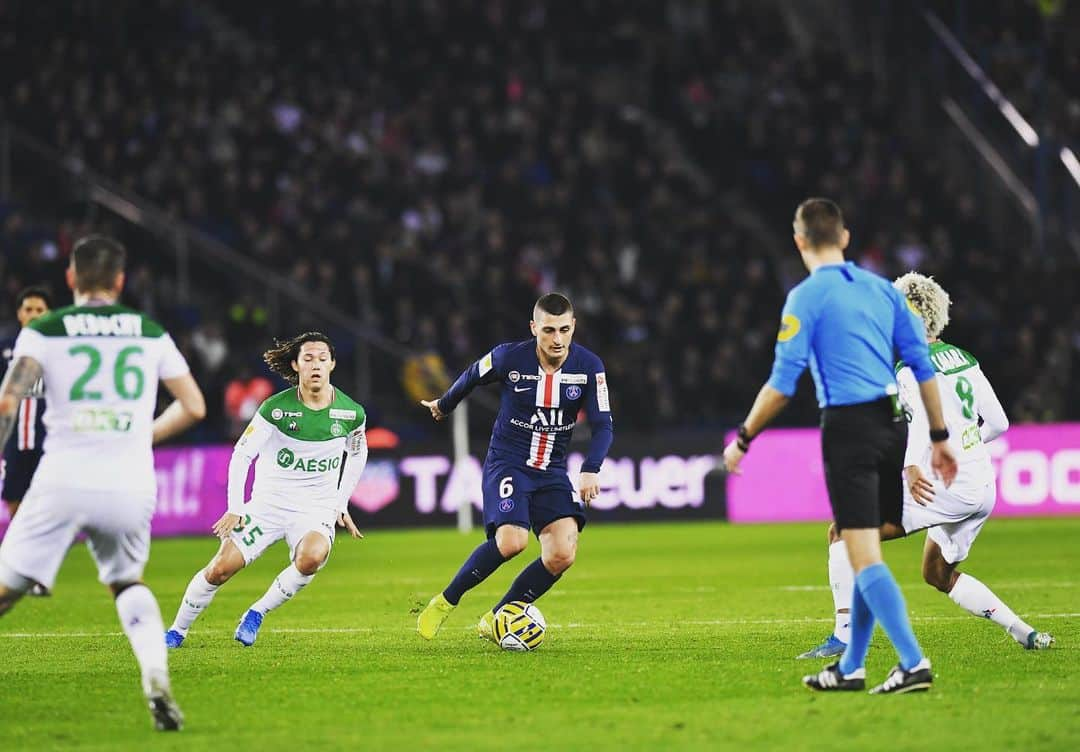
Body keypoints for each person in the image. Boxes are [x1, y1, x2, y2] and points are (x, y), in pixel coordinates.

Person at [721, 199, 958, 695]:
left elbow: (783, 383)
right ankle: (851, 667)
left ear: (800, 241)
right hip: (893, 424)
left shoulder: (804, 298)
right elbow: (922, 363)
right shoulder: (882, 290)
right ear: (845, 238)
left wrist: (743, 437)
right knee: (863, 549)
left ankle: (913, 662)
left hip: (849, 428)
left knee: (864, 556)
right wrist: (938, 438)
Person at [0, 236, 206, 730]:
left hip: (62, 477)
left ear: (71, 278)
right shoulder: (149, 331)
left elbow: (9, 402)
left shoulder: (45, 329)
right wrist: (142, 436)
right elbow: (195, 406)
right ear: (120, 280)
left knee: (6, 591)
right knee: (126, 583)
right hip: (130, 481)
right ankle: (155, 677)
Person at [798, 272, 1053, 659]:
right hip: (981, 486)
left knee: (841, 531)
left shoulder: (910, 368)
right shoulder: (965, 360)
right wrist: (964, 447)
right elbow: (999, 422)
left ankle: (845, 635)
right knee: (936, 574)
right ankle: (1024, 632)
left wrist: (912, 467)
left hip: (943, 485)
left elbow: (918, 428)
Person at [416, 293, 613, 641]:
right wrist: (444, 405)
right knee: (512, 542)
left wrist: (591, 467)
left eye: (564, 330)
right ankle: (447, 601)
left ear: (573, 328)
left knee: (563, 553)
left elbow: (603, 424)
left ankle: (495, 618)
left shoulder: (589, 367)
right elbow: (473, 375)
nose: (557, 339)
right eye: (549, 330)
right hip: (509, 462)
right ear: (534, 327)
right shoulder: (510, 356)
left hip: (552, 469)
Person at [165, 332, 367, 649]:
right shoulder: (275, 409)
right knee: (219, 569)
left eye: (322, 358)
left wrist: (340, 504)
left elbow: (357, 454)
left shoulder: (351, 413)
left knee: (312, 558)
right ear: (295, 365)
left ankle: (256, 612)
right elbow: (243, 454)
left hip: (315, 508)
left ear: (333, 364)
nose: (316, 365)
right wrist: (236, 507)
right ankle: (177, 631)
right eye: (308, 359)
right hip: (267, 506)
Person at [1, 286, 52, 522]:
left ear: (48, 314)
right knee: (14, 502)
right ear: (19, 314)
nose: (33, 314)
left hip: (48, 441)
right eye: (28, 309)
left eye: (39, 310)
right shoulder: (5, 348)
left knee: (48, 504)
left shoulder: (58, 350)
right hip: (14, 441)